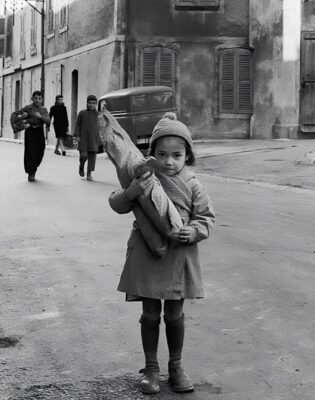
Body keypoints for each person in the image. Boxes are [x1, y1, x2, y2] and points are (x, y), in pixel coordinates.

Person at [108, 116, 215, 394]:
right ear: (152, 155)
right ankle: (151, 367)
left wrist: (192, 232)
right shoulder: (143, 177)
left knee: (175, 314)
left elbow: (205, 219)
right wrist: (132, 191)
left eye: (177, 155)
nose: (169, 162)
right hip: (147, 251)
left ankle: (176, 366)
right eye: (162, 154)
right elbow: (117, 203)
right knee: (151, 313)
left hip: (179, 256)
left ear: (188, 156)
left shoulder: (194, 186)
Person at [10, 91, 50, 182]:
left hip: (39, 132)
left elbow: (48, 121)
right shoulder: (28, 108)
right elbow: (14, 114)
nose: (37, 100)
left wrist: (40, 116)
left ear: (42, 99)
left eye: (39, 98)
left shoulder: (44, 109)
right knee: (30, 152)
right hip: (30, 132)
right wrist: (14, 124)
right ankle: (31, 172)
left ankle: (34, 168)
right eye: (35, 98)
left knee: (40, 151)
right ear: (32, 98)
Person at [74, 94, 100, 181]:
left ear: (96, 104)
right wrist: (77, 135)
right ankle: (81, 166)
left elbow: (101, 126)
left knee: (92, 157)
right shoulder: (82, 113)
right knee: (84, 155)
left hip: (94, 139)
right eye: (90, 103)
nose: (91, 105)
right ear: (87, 103)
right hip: (83, 138)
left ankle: (89, 174)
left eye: (93, 103)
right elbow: (77, 124)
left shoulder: (98, 115)